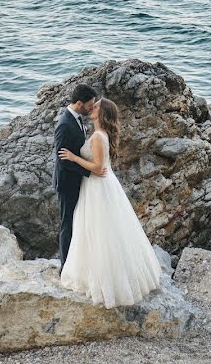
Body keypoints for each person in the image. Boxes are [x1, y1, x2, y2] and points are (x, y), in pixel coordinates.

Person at [57, 97, 162, 308]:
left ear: (101, 113)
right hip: (101, 185)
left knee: (98, 231)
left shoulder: (97, 136)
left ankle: (104, 280)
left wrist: (73, 157)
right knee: (103, 231)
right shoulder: (100, 135)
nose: (91, 108)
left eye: (95, 107)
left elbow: (97, 168)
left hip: (97, 186)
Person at [53, 84, 101, 273]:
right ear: (79, 103)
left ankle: (76, 263)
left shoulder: (77, 119)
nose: (92, 107)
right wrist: (90, 172)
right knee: (67, 224)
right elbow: (63, 160)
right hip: (67, 183)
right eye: (90, 104)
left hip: (77, 180)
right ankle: (65, 267)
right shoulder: (65, 124)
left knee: (77, 222)